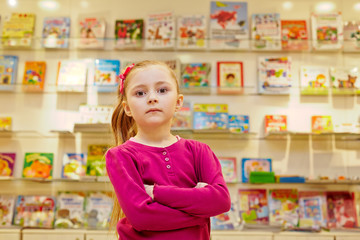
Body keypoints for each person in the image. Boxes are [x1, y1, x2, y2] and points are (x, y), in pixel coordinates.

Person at [105, 60, 231, 240]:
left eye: (162, 90)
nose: (152, 98)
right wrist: (200, 209)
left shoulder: (199, 151)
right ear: (127, 108)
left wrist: (155, 193)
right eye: (140, 93)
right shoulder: (120, 156)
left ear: (179, 102)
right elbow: (142, 217)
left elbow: (220, 201)